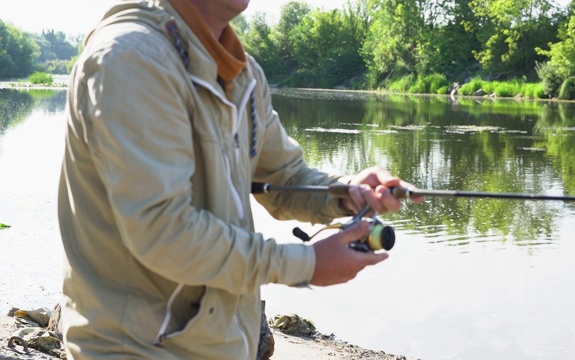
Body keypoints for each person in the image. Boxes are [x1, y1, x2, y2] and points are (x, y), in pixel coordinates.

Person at [57, 0, 421, 359]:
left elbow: (286, 176)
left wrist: (347, 193)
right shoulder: (131, 59)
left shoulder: (242, 72)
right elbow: (162, 230)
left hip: (217, 345)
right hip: (136, 348)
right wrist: (305, 264)